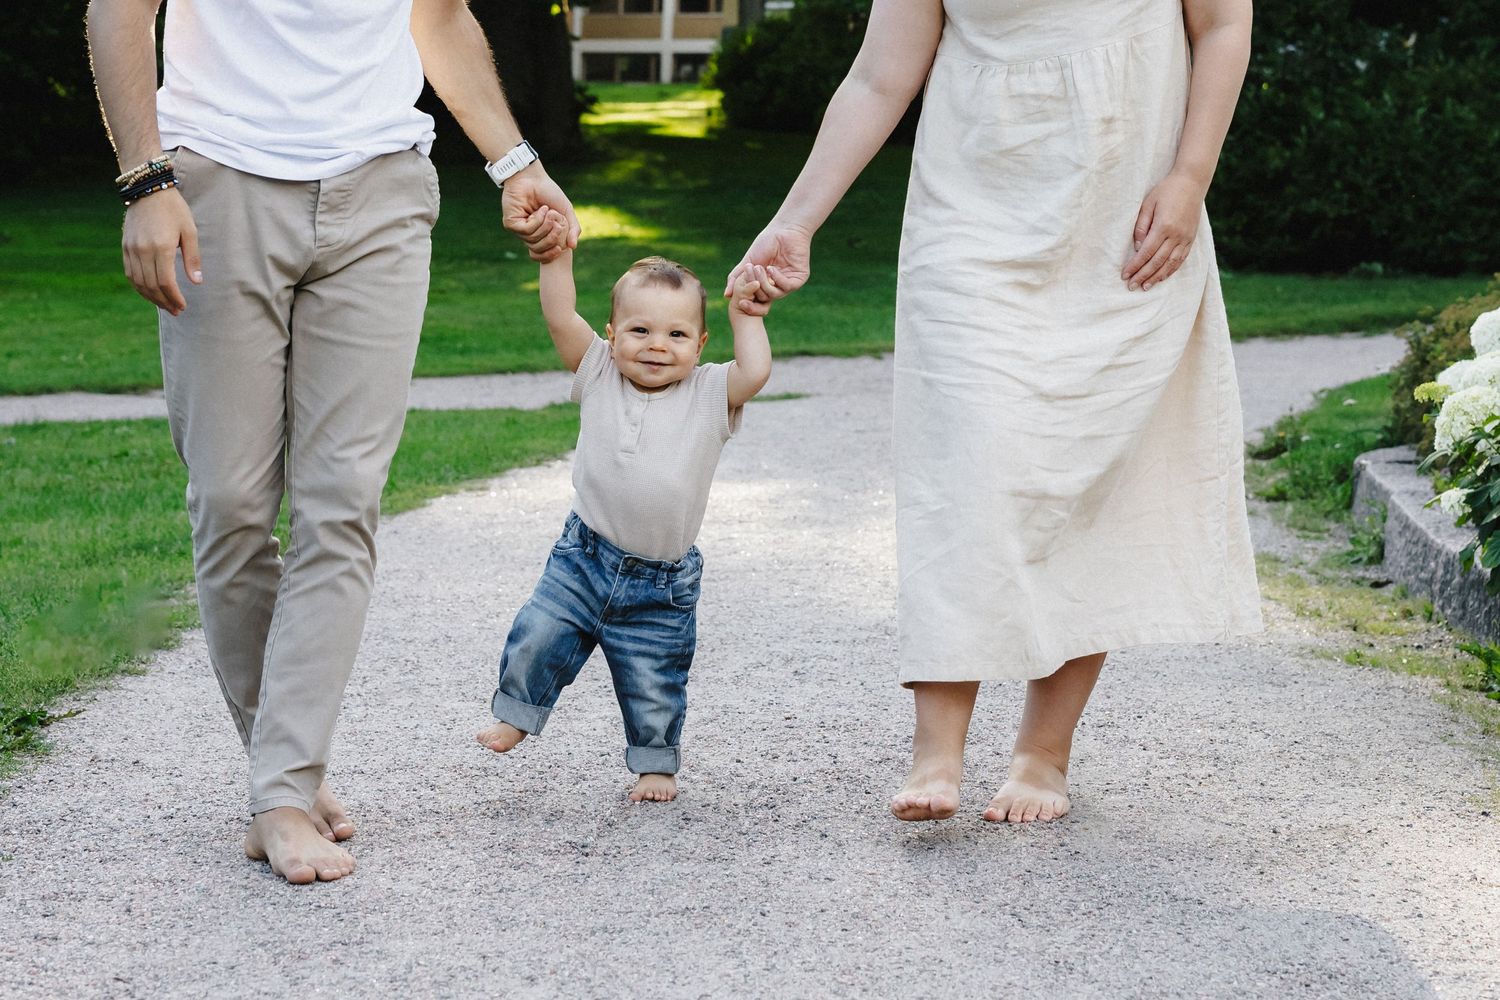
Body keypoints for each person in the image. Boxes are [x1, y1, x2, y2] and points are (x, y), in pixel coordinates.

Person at [731, 0, 1262, 823]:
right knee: (964, 474)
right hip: (970, 219)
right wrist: (795, 222)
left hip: (1125, 225)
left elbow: (1223, 25)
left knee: (1086, 474)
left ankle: (1043, 755)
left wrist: (1191, 177)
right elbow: (879, 77)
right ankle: (936, 752)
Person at [86, 0, 577, 884]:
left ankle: (281, 789)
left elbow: (440, 17)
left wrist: (516, 161)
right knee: (231, 504)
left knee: (341, 504)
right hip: (219, 181)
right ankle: (283, 769)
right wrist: (146, 182)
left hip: (381, 188)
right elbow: (117, 9)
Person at [476, 246, 773, 802]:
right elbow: (560, 317)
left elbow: (754, 371)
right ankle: (517, 711)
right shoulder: (599, 372)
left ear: (700, 345)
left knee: (655, 677)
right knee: (539, 633)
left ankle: (656, 764)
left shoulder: (709, 392)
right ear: (612, 336)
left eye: (677, 334)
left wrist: (747, 316)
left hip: (661, 584)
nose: (657, 345)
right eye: (640, 330)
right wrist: (555, 259)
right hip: (583, 558)